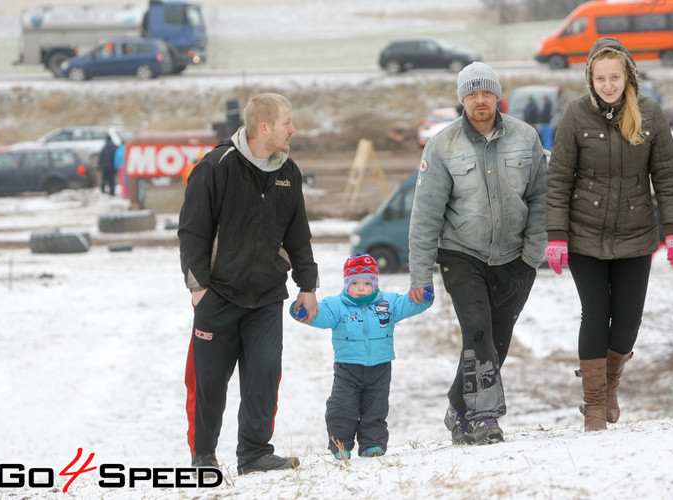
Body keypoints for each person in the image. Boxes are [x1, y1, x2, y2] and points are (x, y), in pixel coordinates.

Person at [545, 37, 673, 432]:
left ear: (628, 76)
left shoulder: (650, 115)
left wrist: (672, 230)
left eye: (615, 77)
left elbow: (667, 178)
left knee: (627, 320)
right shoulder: (574, 115)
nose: (608, 85)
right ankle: (593, 405)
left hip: (636, 233)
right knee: (595, 313)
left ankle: (609, 385)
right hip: (584, 235)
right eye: (601, 78)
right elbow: (558, 179)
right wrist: (556, 234)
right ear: (591, 78)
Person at [178, 92, 320, 475]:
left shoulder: (289, 172)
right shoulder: (215, 166)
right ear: (264, 127)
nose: (294, 128)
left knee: (264, 377)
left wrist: (308, 284)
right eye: (287, 122)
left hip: (267, 298)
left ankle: (255, 454)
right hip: (218, 297)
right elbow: (192, 232)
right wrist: (198, 289)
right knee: (208, 385)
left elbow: (298, 234)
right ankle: (203, 457)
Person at [408, 62, 547, 446]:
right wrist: (420, 274)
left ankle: (458, 407)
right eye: (471, 93)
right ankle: (485, 419)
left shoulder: (525, 137)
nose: (480, 100)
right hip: (461, 255)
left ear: (497, 95)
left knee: (495, 340)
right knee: (478, 331)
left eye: (486, 92)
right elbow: (425, 215)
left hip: (515, 256)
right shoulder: (441, 146)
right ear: (462, 99)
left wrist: (533, 253)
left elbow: (541, 197)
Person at [289, 253, 433, 459]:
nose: (361, 287)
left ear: (375, 283)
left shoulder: (388, 303)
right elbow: (321, 315)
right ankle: (341, 445)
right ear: (346, 283)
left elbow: (408, 304)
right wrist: (304, 313)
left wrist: (424, 299)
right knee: (342, 407)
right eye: (355, 283)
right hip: (348, 369)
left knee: (375, 409)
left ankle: (372, 445)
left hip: (380, 368)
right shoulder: (336, 306)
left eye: (367, 282)